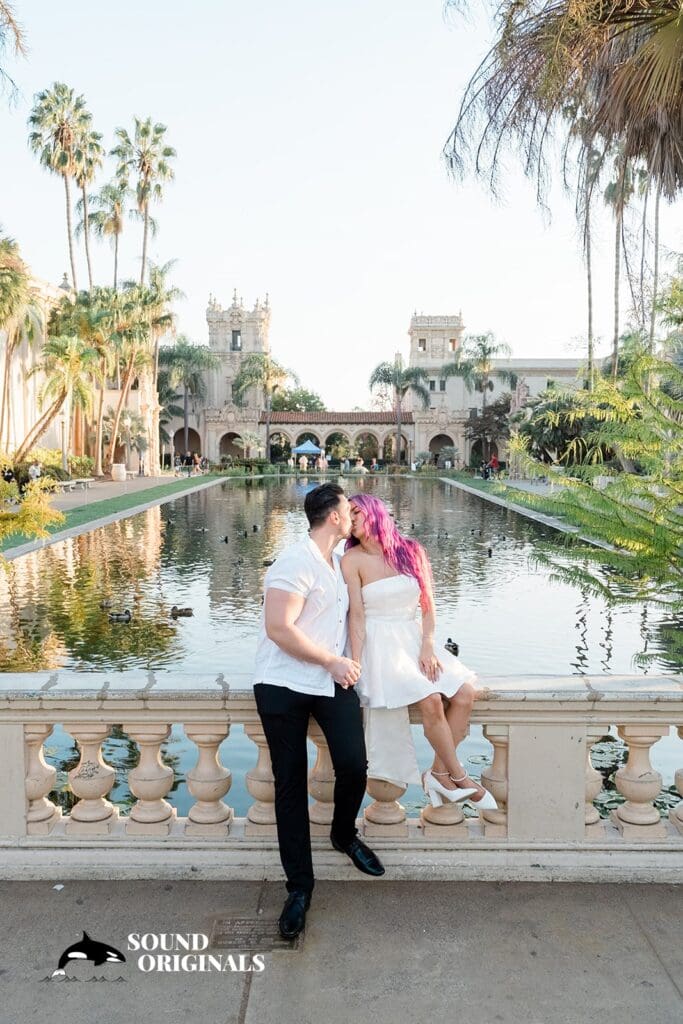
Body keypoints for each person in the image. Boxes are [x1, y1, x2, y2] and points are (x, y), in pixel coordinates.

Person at [253, 483, 385, 941]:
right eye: (348, 510)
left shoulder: (335, 562)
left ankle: (343, 834)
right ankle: (299, 889)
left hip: (331, 681)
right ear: (333, 517)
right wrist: (330, 660)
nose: (352, 517)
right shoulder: (294, 561)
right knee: (290, 784)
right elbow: (277, 628)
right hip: (283, 684)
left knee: (354, 765)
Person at [341, 493, 497, 813]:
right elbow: (355, 615)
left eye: (357, 512)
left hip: (412, 637)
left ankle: (438, 772)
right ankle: (460, 777)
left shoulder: (411, 551)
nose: (352, 519)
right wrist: (355, 661)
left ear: (374, 512)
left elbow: (428, 605)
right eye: (348, 514)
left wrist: (428, 643)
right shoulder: (352, 560)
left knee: (466, 693)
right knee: (430, 700)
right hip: (379, 644)